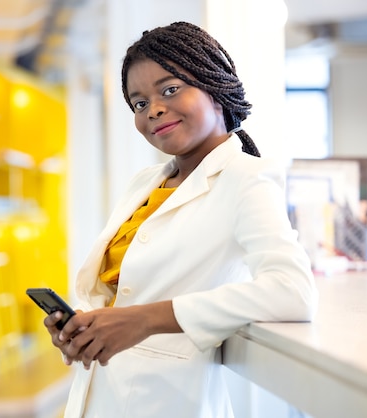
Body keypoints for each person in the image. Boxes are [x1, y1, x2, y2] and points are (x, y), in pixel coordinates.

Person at [43, 21, 318, 417]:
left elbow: (292, 291)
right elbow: (127, 291)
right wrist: (83, 329)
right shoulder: (146, 183)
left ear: (215, 89)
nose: (152, 109)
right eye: (138, 103)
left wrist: (144, 320)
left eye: (170, 89)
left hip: (170, 401)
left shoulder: (246, 179)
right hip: (101, 396)